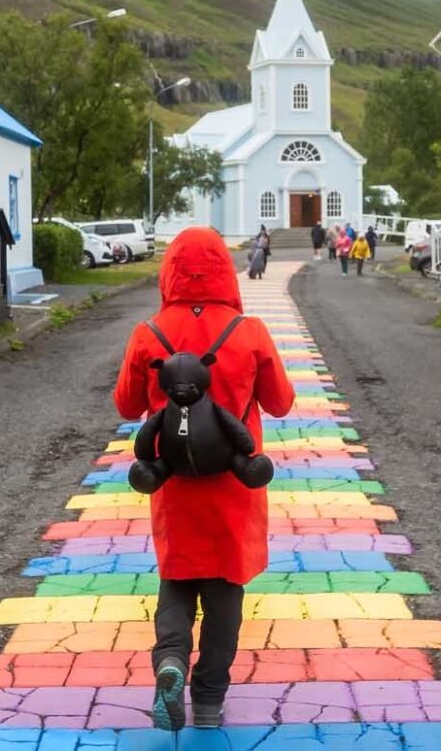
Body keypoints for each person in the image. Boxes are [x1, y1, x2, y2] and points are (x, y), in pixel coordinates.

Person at [113, 227, 294, 731]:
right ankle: (209, 701)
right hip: (235, 487)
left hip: (174, 487)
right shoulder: (249, 330)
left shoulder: (148, 332)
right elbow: (281, 402)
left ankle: (169, 661)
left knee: (177, 582)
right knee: (224, 594)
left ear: (169, 270)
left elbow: (127, 405)